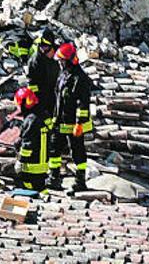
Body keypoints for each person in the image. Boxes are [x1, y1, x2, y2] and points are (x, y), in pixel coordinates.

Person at [26, 28, 63, 188]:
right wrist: (42, 111)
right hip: (41, 104)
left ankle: (54, 173)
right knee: (44, 138)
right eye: (41, 47)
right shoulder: (35, 61)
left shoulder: (56, 59)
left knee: (56, 138)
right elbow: (33, 89)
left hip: (55, 100)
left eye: (46, 48)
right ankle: (42, 174)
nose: (43, 50)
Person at [54, 42, 93, 193]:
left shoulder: (80, 78)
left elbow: (83, 104)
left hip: (74, 124)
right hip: (61, 121)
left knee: (77, 151)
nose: (59, 63)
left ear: (69, 60)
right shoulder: (64, 74)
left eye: (61, 60)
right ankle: (54, 178)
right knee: (54, 149)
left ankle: (80, 181)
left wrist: (79, 124)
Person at [14, 86, 50, 194]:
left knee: (27, 186)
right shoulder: (43, 114)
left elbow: (27, 145)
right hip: (44, 162)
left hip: (32, 164)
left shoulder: (30, 120)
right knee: (41, 186)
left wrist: (20, 161)